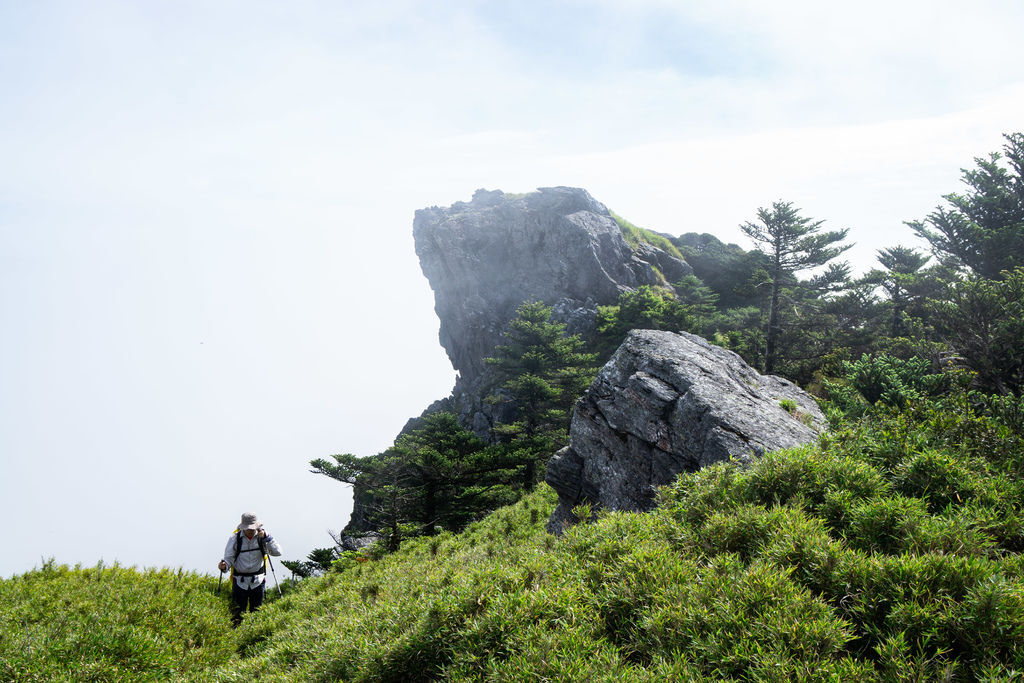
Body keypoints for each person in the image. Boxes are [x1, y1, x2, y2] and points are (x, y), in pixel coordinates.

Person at [217, 511, 282, 626]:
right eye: (248, 529)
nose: (251, 531)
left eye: (253, 528)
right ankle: (236, 637)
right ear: (243, 528)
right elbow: (229, 559)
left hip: (258, 581)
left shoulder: (263, 537)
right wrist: (224, 566)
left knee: (256, 614)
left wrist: (267, 539)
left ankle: (253, 639)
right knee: (237, 614)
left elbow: (277, 552)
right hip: (239, 581)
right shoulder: (235, 538)